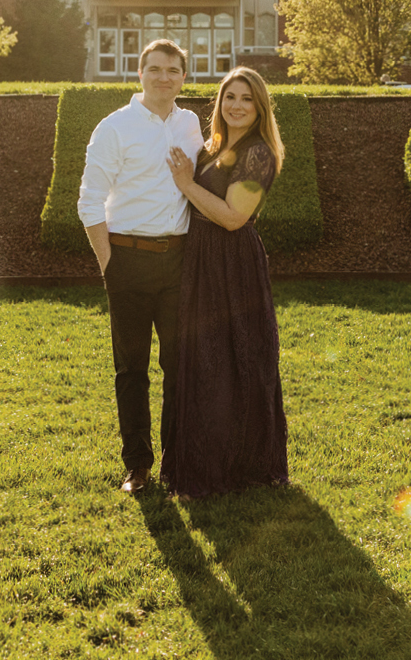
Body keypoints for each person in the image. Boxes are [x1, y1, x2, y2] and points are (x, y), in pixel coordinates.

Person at [78, 39, 205, 495]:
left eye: (173, 70)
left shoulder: (191, 124)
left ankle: (176, 462)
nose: (163, 77)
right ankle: (138, 466)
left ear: (184, 77)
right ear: (139, 74)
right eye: (154, 69)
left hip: (179, 263)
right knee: (131, 370)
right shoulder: (115, 127)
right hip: (126, 260)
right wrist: (110, 264)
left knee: (179, 367)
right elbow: (89, 201)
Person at [159, 66, 289, 499]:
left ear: (260, 107)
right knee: (203, 359)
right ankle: (199, 460)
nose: (236, 105)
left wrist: (185, 185)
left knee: (233, 359)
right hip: (199, 259)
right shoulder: (212, 147)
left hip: (232, 265)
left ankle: (237, 467)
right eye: (229, 96)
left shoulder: (259, 154)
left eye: (246, 98)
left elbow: (234, 217)